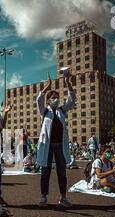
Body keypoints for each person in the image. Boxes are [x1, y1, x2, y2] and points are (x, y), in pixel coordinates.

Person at [36, 72, 75, 207]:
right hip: (47, 146)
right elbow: (39, 99)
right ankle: (43, 197)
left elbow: (71, 101)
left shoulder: (61, 111)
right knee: (45, 172)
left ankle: (63, 197)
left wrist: (69, 84)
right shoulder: (44, 111)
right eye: (53, 98)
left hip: (60, 146)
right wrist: (47, 86)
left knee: (62, 173)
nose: (56, 99)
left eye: (57, 97)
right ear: (48, 100)